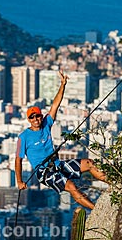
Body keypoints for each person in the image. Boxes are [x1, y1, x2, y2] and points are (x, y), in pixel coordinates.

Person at [15, 70, 108, 209]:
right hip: (44, 172)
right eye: (32, 117)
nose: (36, 119)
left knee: (89, 163)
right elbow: (18, 160)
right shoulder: (23, 137)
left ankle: (115, 184)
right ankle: (97, 211)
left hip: (58, 164)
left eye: (38, 116)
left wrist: (63, 85)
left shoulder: (46, 123)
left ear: (41, 116)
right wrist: (19, 181)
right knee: (70, 186)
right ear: (28, 120)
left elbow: (55, 105)